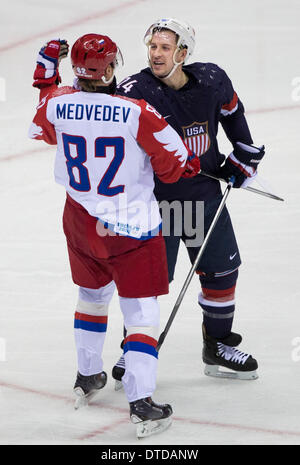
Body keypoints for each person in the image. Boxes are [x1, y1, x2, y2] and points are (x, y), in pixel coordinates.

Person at [28, 33, 199, 438]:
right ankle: (141, 404)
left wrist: (46, 77)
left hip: (80, 222)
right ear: (107, 69)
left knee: (91, 297)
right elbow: (175, 165)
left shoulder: (58, 103)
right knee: (141, 313)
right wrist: (189, 167)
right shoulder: (135, 111)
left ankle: (87, 376)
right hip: (130, 228)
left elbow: (44, 129)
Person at [112, 18, 265, 385]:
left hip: (204, 199)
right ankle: (133, 347)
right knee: (145, 285)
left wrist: (243, 155)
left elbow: (233, 114)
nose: (156, 54)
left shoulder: (212, 80)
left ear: (183, 53)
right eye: (152, 46)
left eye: (165, 48)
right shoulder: (135, 90)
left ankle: (217, 344)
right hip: (156, 207)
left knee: (221, 273)